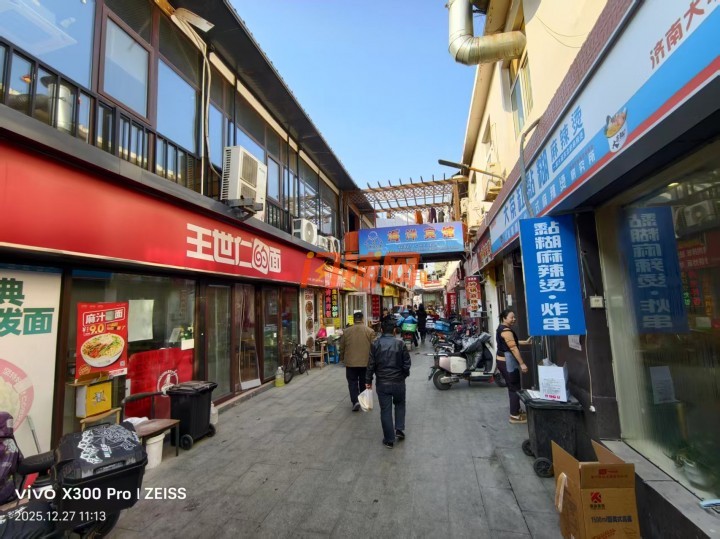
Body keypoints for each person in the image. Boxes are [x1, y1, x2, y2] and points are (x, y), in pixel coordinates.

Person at [366, 318, 411, 448]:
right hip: (398, 382)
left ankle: (389, 440)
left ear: (381, 330)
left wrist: (368, 380)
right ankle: (399, 429)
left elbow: (371, 365)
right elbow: (407, 363)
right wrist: (403, 375)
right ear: (395, 330)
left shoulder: (375, 344)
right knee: (400, 404)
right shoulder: (400, 344)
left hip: (383, 383)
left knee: (385, 410)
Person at [496, 308, 532, 424]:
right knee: (514, 387)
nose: (514, 319)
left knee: (513, 386)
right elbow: (513, 348)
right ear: (504, 318)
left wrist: (525, 342)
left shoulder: (501, 328)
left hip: (503, 361)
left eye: (514, 317)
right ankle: (514, 415)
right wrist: (522, 363)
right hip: (507, 363)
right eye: (511, 317)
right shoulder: (506, 330)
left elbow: (510, 343)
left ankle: (517, 410)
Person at [339, 311, 376, 411]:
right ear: (363, 319)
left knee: (352, 382)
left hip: (351, 362)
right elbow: (374, 348)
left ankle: (355, 401)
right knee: (364, 381)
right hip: (365, 362)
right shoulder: (370, 331)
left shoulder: (346, 331)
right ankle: (363, 401)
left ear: (354, 320)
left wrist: (342, 358)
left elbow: (342, 347)